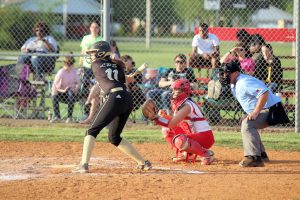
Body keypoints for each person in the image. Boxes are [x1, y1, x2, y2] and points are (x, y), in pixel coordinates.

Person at [72, 41, 151, 173]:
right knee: (114, 137)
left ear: (101, 53)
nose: (91, 56)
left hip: (114, 98)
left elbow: (113, 76)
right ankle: (143, 163)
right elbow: (127, 79)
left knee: (91, 130)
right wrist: (120, 65)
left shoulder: (96, 64)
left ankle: (83, 165)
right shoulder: (117, 65)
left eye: (93, 53)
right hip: (127, 99)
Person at [218, 60, 289, 167]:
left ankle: (254, 157)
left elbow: (263, 93)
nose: (224, 76)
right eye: (223, 73)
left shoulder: (244, 82)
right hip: (267, 109)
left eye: (226, 73)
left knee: (248, 124)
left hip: (273, 110)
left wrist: (255, 112)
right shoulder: (235, 83)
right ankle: (261, 154)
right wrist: (251, 112)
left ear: (236, 73)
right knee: (247, 121)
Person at [151, 79, 215, 165]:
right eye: (173, 89)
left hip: (204, 137)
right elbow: (176, 121)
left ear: (184, 91)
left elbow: (172, 123)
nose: (173, 92)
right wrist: (163, 117)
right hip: (193, 135)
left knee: (179, 140)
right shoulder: (181, 104)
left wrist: (156, 119)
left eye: (176, 90)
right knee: (166, 130)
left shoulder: (187, 105)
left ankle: (206, 154)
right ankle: (185, 153)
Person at [79, 40, 122, 124]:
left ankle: (87, 102)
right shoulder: (100, 62)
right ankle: (90, 118)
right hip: (104, 86)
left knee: (98, 85)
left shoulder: (114, 56)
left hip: (113, 87)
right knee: (95, 99)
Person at [50, 53, 81, 123]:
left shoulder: (74, 71)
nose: (70, 65)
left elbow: (79, 83)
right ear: (65, 64)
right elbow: (55, 86)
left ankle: (69, 118)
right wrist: (63, 90)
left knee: (70, 92)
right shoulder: (61, 72)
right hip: (61, 93)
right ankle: (57, 117)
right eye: (68, 64)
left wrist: (76, 89)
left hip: (72, 93)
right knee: (54, 96)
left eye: (71, 64)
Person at [79, 21, 103, 101]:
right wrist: (80, 65)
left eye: (96, 27)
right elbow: (82, 52)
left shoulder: (101, 39)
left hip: (97, 66)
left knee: (96, 85)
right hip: (87, 66)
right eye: (92, 27)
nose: (94, 29)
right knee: (85, 84)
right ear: (90, 28)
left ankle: (95, 103)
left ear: (99, 29)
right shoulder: (85, 38)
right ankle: (85, 103)